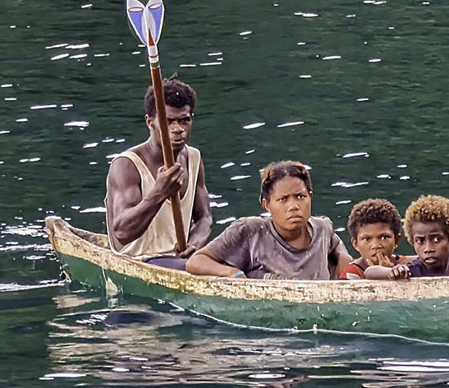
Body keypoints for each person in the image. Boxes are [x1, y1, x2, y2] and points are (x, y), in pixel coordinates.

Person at [105, 77, 211, 269]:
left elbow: (204, 217)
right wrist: (159, 192)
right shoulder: (126, 165)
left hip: (180, 260)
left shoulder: (194, 157)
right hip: (142, 260)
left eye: (184, 120)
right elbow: (122, 232)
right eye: (168, 121)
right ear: (150, 122)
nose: (178, 130)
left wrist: (194, 245)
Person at [187, 161, 352, 279]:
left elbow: (335, 243)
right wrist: (231, 273)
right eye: (283, 199)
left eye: (300, 197)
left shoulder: (323, 228)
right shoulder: (249, 231)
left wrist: (344, 257)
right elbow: (196, 261)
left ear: (310, 197)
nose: (294, 206)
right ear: (266, 205)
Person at [364, 195, 449, 279]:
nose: (428, 249)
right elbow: (369, 272)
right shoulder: (411, 271)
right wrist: (391, 271)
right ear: (412, 242)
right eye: (420, 241)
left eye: (437, 239)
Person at [342, 199, 412, 279]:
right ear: (356, 244)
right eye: (367, 239)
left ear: (396, 240)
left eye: (384, 237)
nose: (376, 246)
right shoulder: (351, 274)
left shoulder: (407, 264)